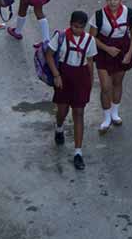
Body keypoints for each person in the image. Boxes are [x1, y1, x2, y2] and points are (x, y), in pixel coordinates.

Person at [45, 11, 97, 170]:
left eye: (81, 27)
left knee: (79, 113)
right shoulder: (60, 37)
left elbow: (89, 62)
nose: (78, 30)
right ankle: (59, 127)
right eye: (75, 26)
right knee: (62, 110)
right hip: (64, 76)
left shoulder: (90, 40)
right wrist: (56, 75)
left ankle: (78, 152)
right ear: (70, 24)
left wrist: (90, 81)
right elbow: (49, 55)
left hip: (81, 77)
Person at [88, 0, 132, 135]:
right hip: (104, 53)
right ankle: (106, 118)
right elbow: (92, 37)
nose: (112, 2)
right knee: (105, 87)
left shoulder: (130, 14)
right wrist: (107, 48)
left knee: (117, 82)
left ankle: (115, 113)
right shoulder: (98, 16)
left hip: (122, 52)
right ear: (106, 0)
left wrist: (129, 53)